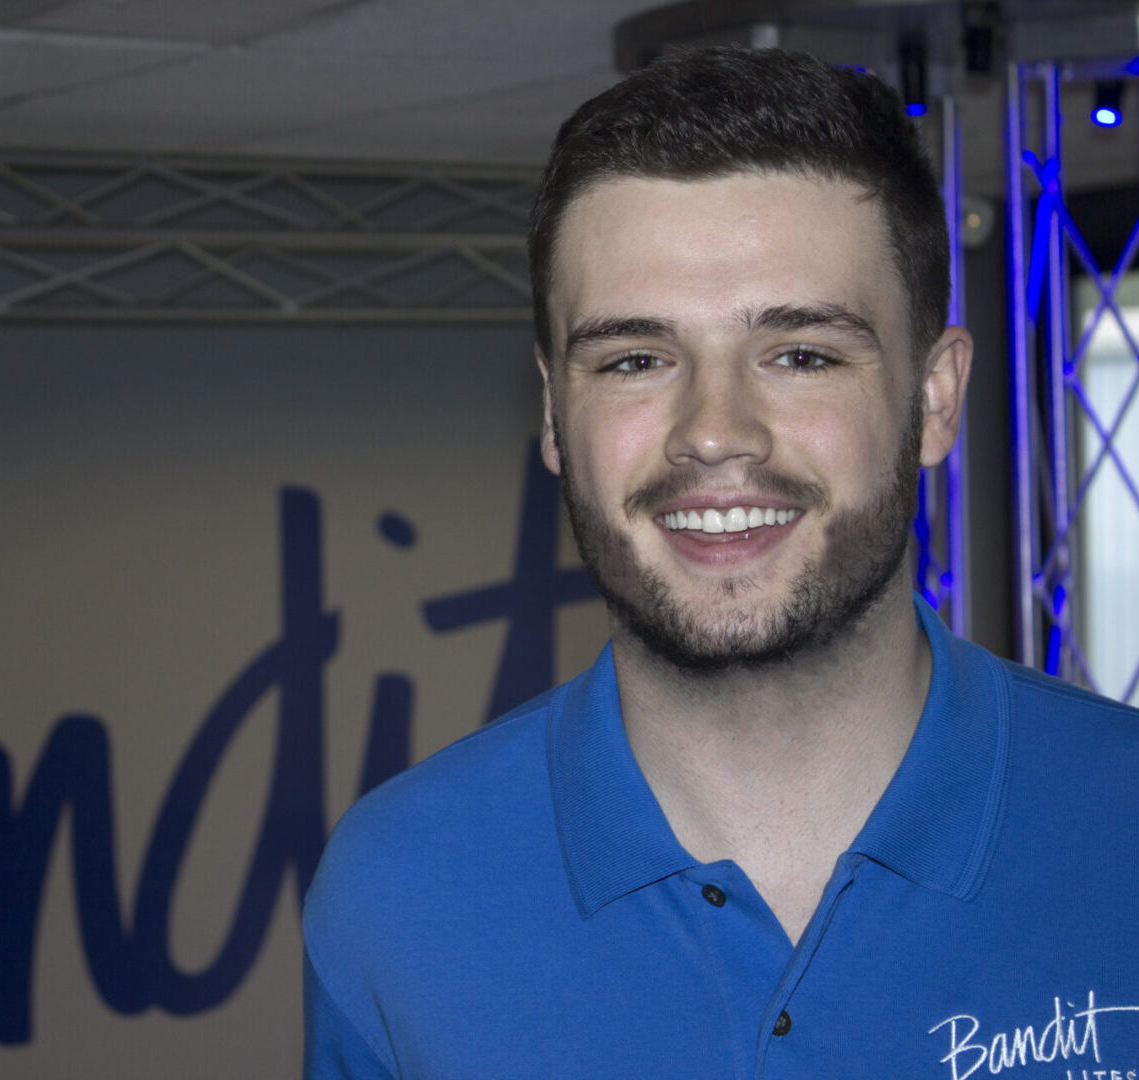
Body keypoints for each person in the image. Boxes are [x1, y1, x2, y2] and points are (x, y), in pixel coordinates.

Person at [302, 44, 1139, 1078]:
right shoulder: (396, 895)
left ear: (932, 398)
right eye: (634, 359)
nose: (712, 432)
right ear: (555, 414)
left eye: (799, 355)